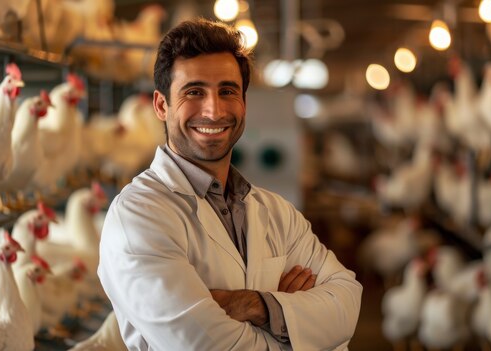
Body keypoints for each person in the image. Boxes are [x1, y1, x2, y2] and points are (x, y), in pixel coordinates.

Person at [98, 18, 362, 351]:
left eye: (227, 91)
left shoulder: (276, 212)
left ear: (244, 104)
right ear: (161, 105)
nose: (213, 109)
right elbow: (200, 346)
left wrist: (257, 305)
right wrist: (296, 323)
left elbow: (347, 305)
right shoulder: (138, 216)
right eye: (194, 92)